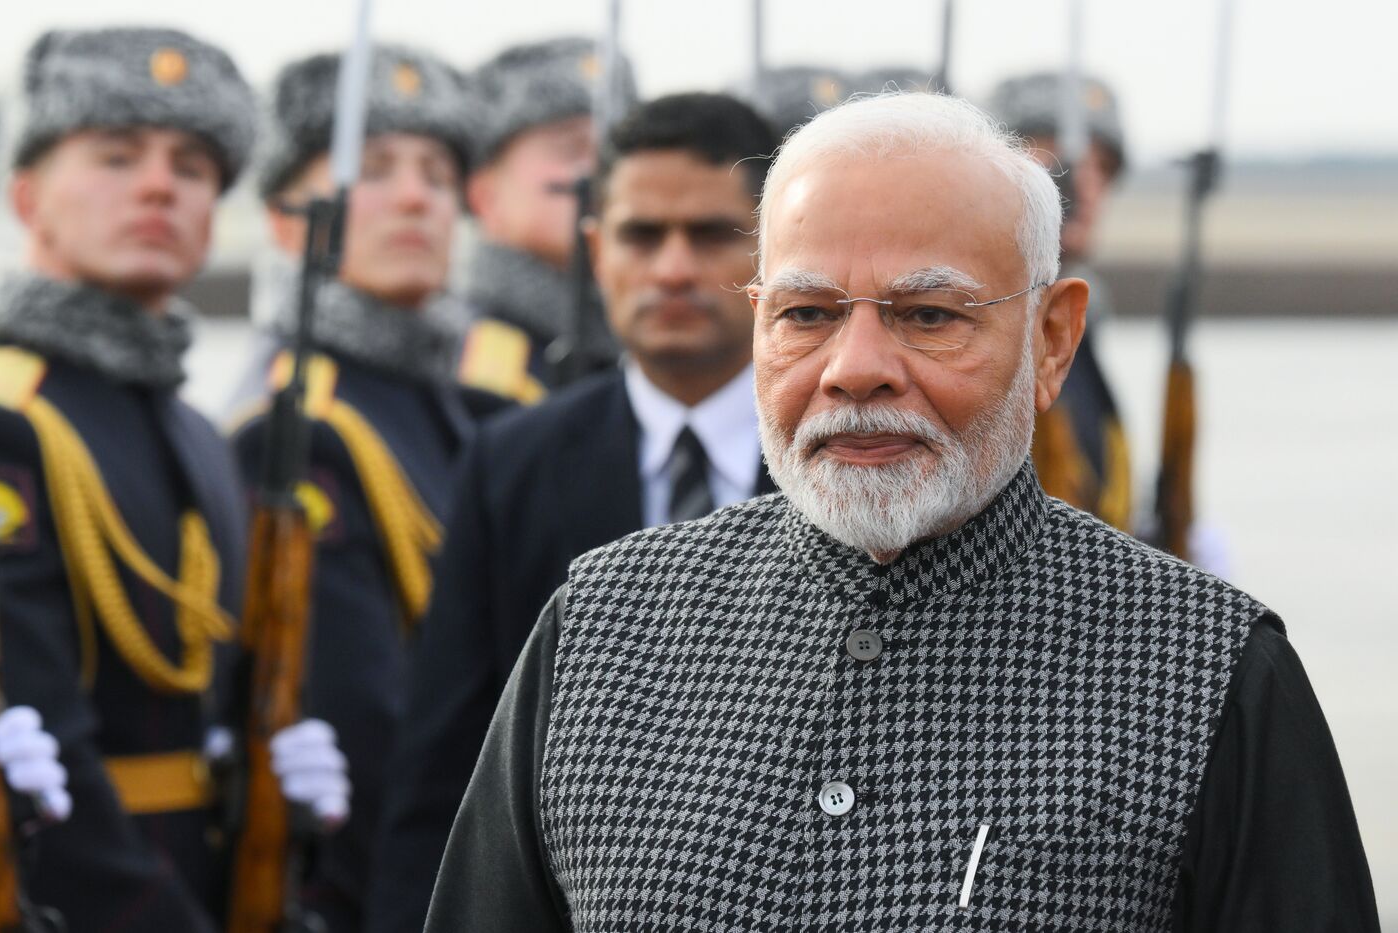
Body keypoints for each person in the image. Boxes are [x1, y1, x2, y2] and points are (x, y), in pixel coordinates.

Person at [426, 92, 1378, 931]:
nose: (854, 368)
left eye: (929, 315)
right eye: (806, 314)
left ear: (1053, 339)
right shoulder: (604, 626)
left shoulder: (1203, 670)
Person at [368, 92, 779, 933]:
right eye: (640, 234)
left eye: (709, 234)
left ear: (776, 249)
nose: (671, 268)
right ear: (595, 248)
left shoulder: (849, 454)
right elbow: (444, 769)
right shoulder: (511, 461)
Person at [0, 28, 346, 931]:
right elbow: (41, 721)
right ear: (25, 194)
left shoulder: (197, 431)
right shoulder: (13, 416)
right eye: (117, 156)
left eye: (193, 167)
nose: (160, 184)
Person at [230, 45, 497, 932]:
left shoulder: (451, 408)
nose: (419, 197)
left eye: (437, 172)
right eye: (375, 169)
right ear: (284, 218)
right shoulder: (304, 422)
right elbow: (364, 717)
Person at [988, 72, 1133, 530]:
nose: (1085, 188)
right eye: (1062, 163)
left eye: (1102, 169)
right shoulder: (973, 322)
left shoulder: (1074, 323)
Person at [456, 37, 637, 402]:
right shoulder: (471, 366)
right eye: (570, 149)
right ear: (486, 197)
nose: (600, 173)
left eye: (615, 152)